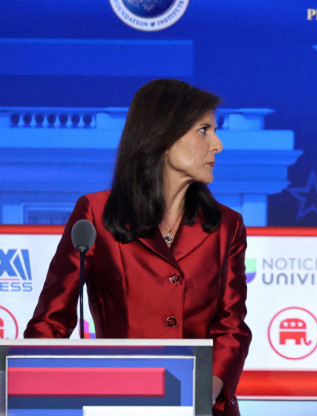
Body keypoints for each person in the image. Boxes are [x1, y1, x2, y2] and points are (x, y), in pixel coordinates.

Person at [25, 79, 252, 416]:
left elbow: (231, 326)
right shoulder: (95, 215)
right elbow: (50, 323)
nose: (217, 145)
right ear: (163, 136)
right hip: (117, 404)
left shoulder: (226, 225)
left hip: (203, 406)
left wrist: (207, 386)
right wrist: (35, 391)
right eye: (204, 130)